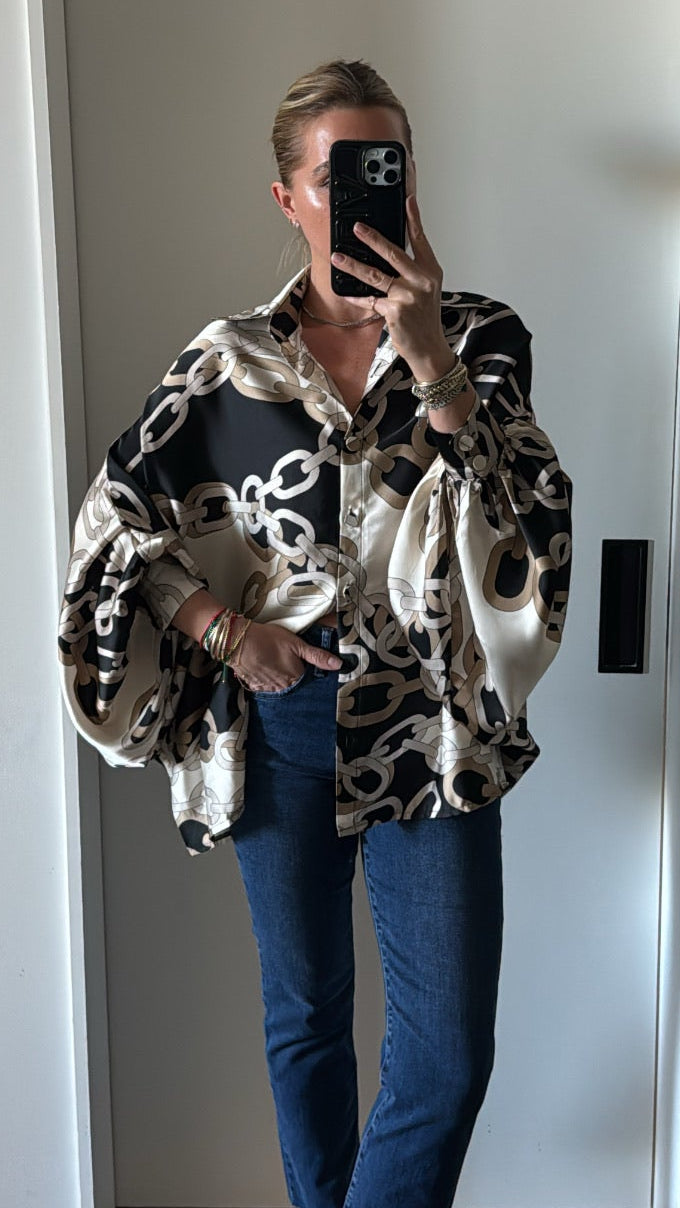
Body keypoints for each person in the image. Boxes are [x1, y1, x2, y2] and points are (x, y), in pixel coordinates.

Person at [58, 58, 572, 1208]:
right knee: (304, 1019)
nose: (364, 198)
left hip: (431, 728)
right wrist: (222, 629)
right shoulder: (227, 363)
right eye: (337, 176)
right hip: (278, 725)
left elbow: (523, 525)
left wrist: (428, 353)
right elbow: (113, 528)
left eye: (385, 168)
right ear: (287, 197)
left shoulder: (481, 339)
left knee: (445, 1055)